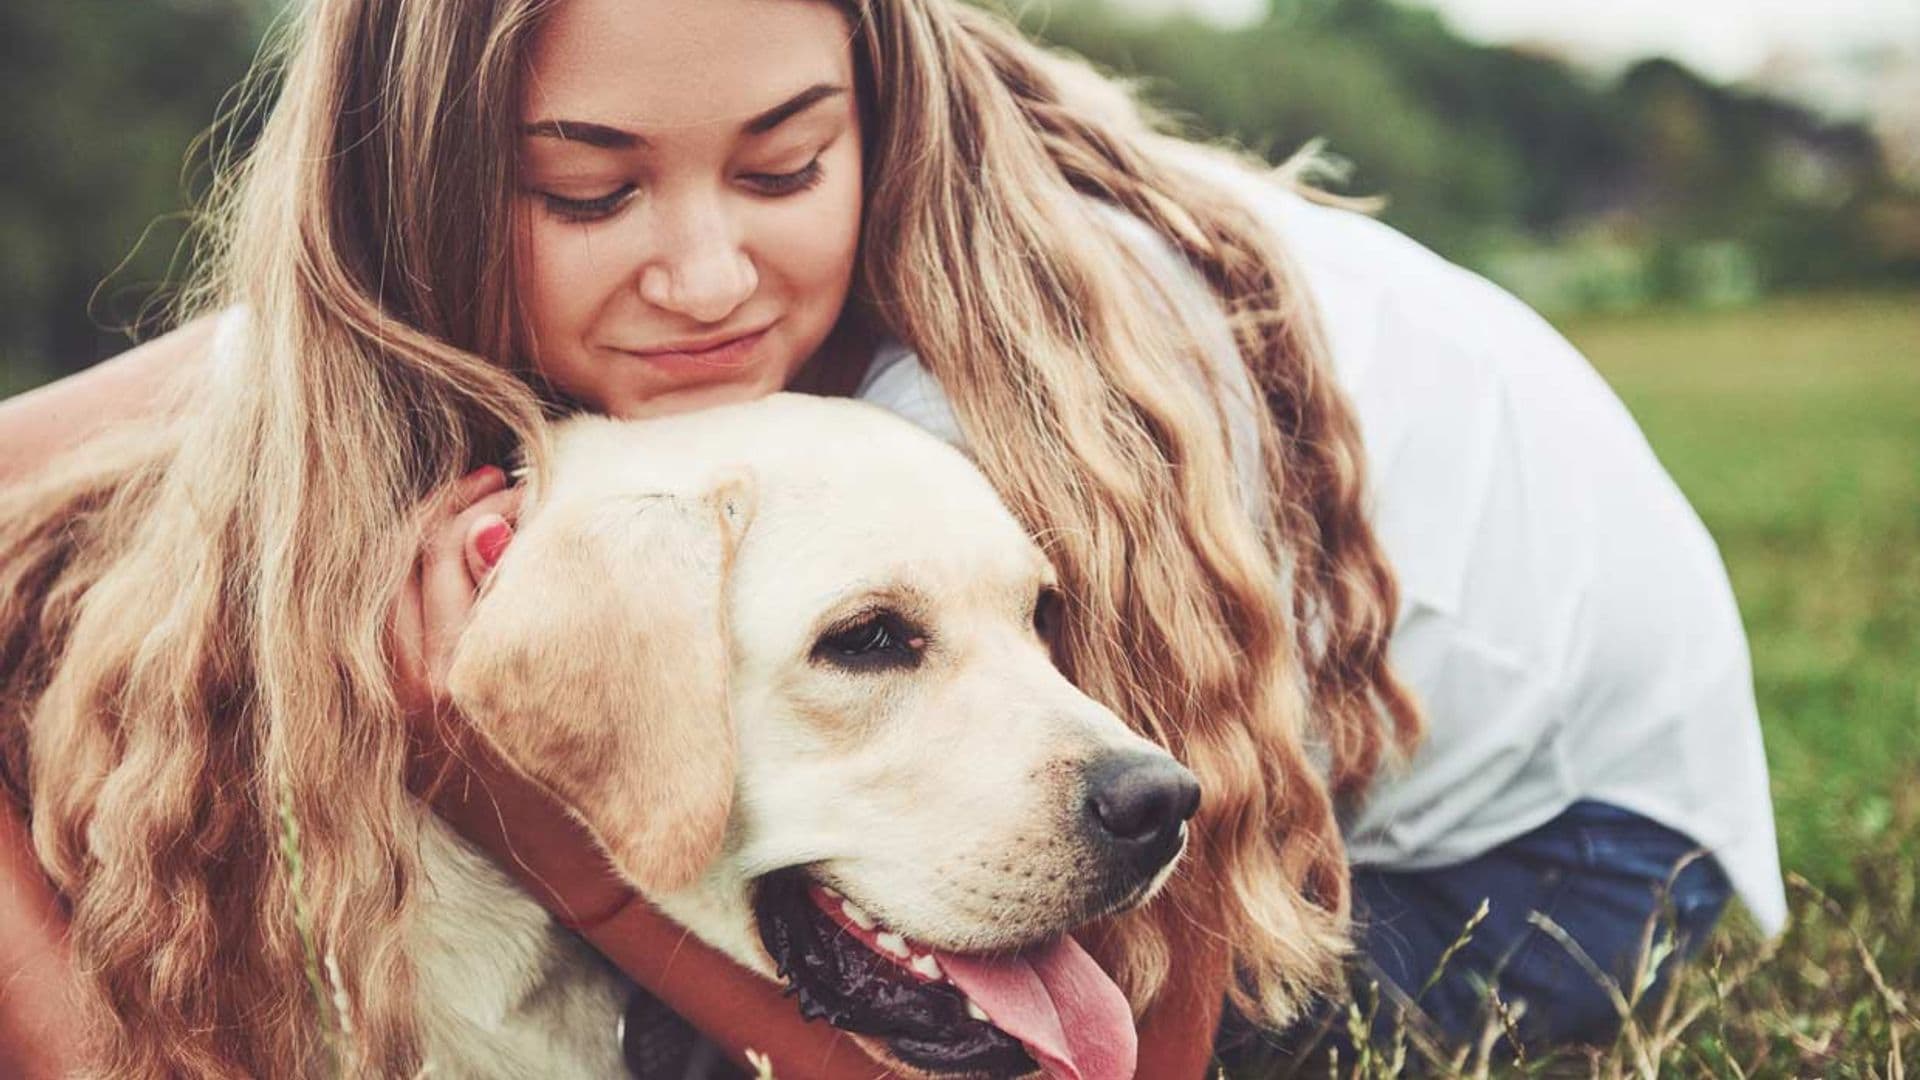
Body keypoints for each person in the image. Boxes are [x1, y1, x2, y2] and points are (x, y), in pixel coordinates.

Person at [0, 1, 1781, 1077]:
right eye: (586, 191)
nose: (703, 275)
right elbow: (231, 381)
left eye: (783, 171)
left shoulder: (1006, 402)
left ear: (880, 115)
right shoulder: (593, 323)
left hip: (1567, 859)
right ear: (414, 204)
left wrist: (536, 819)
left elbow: (1128, 1062)